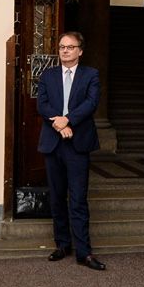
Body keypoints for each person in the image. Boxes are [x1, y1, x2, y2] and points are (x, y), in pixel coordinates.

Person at [37, 31, 105, 271]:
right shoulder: (48, 75)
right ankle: (62, 245)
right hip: (53, 143)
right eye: (62, 47)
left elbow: (91, 103)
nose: (65, 51)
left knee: (78, 199)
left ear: (80, 51)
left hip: (78, 144)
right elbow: (42, 104)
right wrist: (58, 123)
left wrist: (68, 120)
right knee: (56, 198)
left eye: (70, 47)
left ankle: (84, 252)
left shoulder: (91, 75)